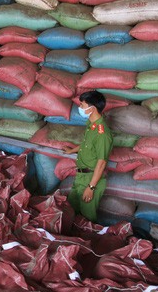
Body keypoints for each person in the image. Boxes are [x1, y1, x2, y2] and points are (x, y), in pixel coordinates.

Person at [63, 91, 113, 222]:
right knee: (70, 210)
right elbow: (86, 144)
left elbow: (101, 163)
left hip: (91, 180)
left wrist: (91, 188)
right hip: (81, 176)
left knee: (87, 219)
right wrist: (72, 150)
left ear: (92, 109)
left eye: (82, 105)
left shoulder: (102, 134)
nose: (79, 108)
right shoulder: (91, 125)